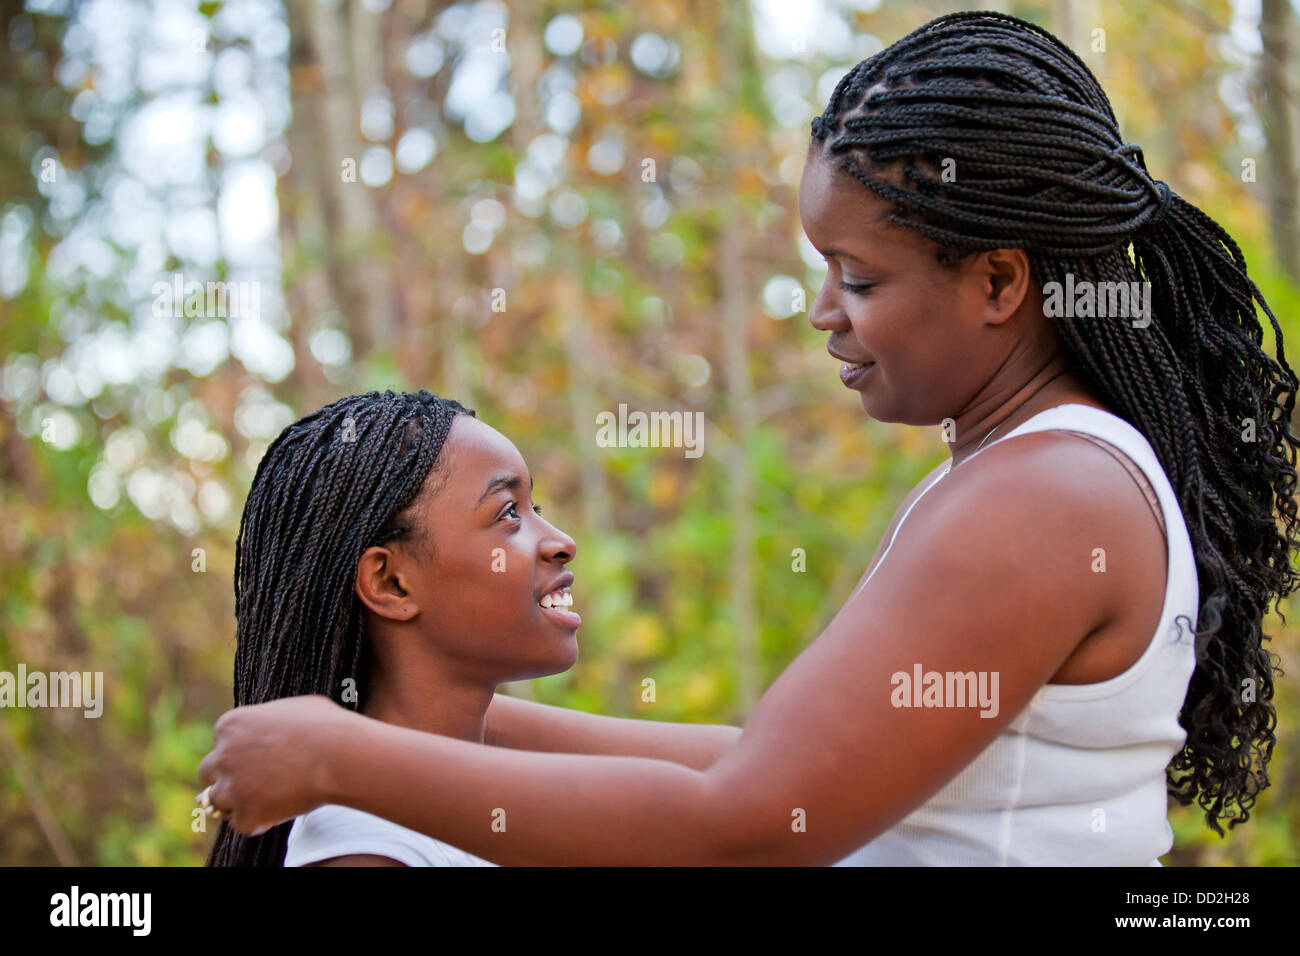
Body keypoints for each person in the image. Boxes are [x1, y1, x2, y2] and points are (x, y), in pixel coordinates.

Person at [198, 11, 1299, 865]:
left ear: (1000, 281)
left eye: (859, 277)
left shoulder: (1047, 492)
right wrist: (410, 723)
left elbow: (755, 820)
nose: (824, 310)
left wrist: (337, 754)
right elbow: (759, 762)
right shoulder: (1044, 471)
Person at [204, 389, 582, 866]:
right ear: (391, 583)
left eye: (536, 510)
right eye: (509, 513)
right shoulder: (368, 851)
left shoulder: (497, 810)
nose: (561, 543)